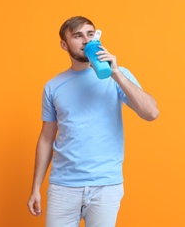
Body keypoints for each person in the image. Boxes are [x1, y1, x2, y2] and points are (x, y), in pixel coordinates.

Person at [27, 16, 159, 227]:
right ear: (64, 44)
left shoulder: (119, 75)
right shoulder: (53, 86)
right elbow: (46, 138)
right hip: (63, 186)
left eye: (90, 34)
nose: (86, 41)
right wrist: (35, 188)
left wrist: (115, 72)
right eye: (78, 36)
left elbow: (151, 113)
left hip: (105, 186)